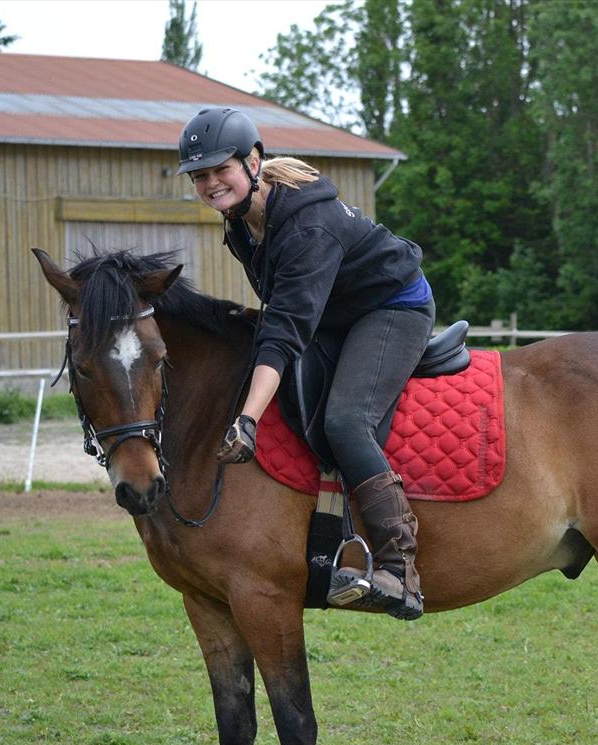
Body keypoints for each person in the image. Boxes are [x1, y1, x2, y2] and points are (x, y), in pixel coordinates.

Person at [177, 106, 433, 620]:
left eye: (219, 170)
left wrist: (246, 420)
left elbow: (287, 325)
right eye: (199, 176)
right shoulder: (241, 221)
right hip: (337, 315)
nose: (210, 183)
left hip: (392, 306)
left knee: (345, 420)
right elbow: (287, 309)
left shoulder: (306, 227)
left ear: (253, 162)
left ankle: (398, 566)